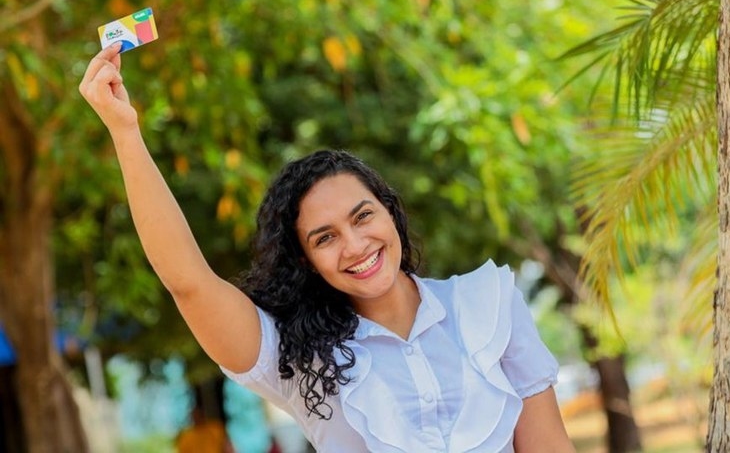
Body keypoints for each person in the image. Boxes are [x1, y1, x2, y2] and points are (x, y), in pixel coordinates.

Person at [80, 42, 576, 453]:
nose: (356, 245)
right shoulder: (299, 361)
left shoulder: (487, 306)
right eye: (325, 238)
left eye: (363, 216)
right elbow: (187, 282)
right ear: (307, 262)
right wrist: (126, 133)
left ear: (391, 213)